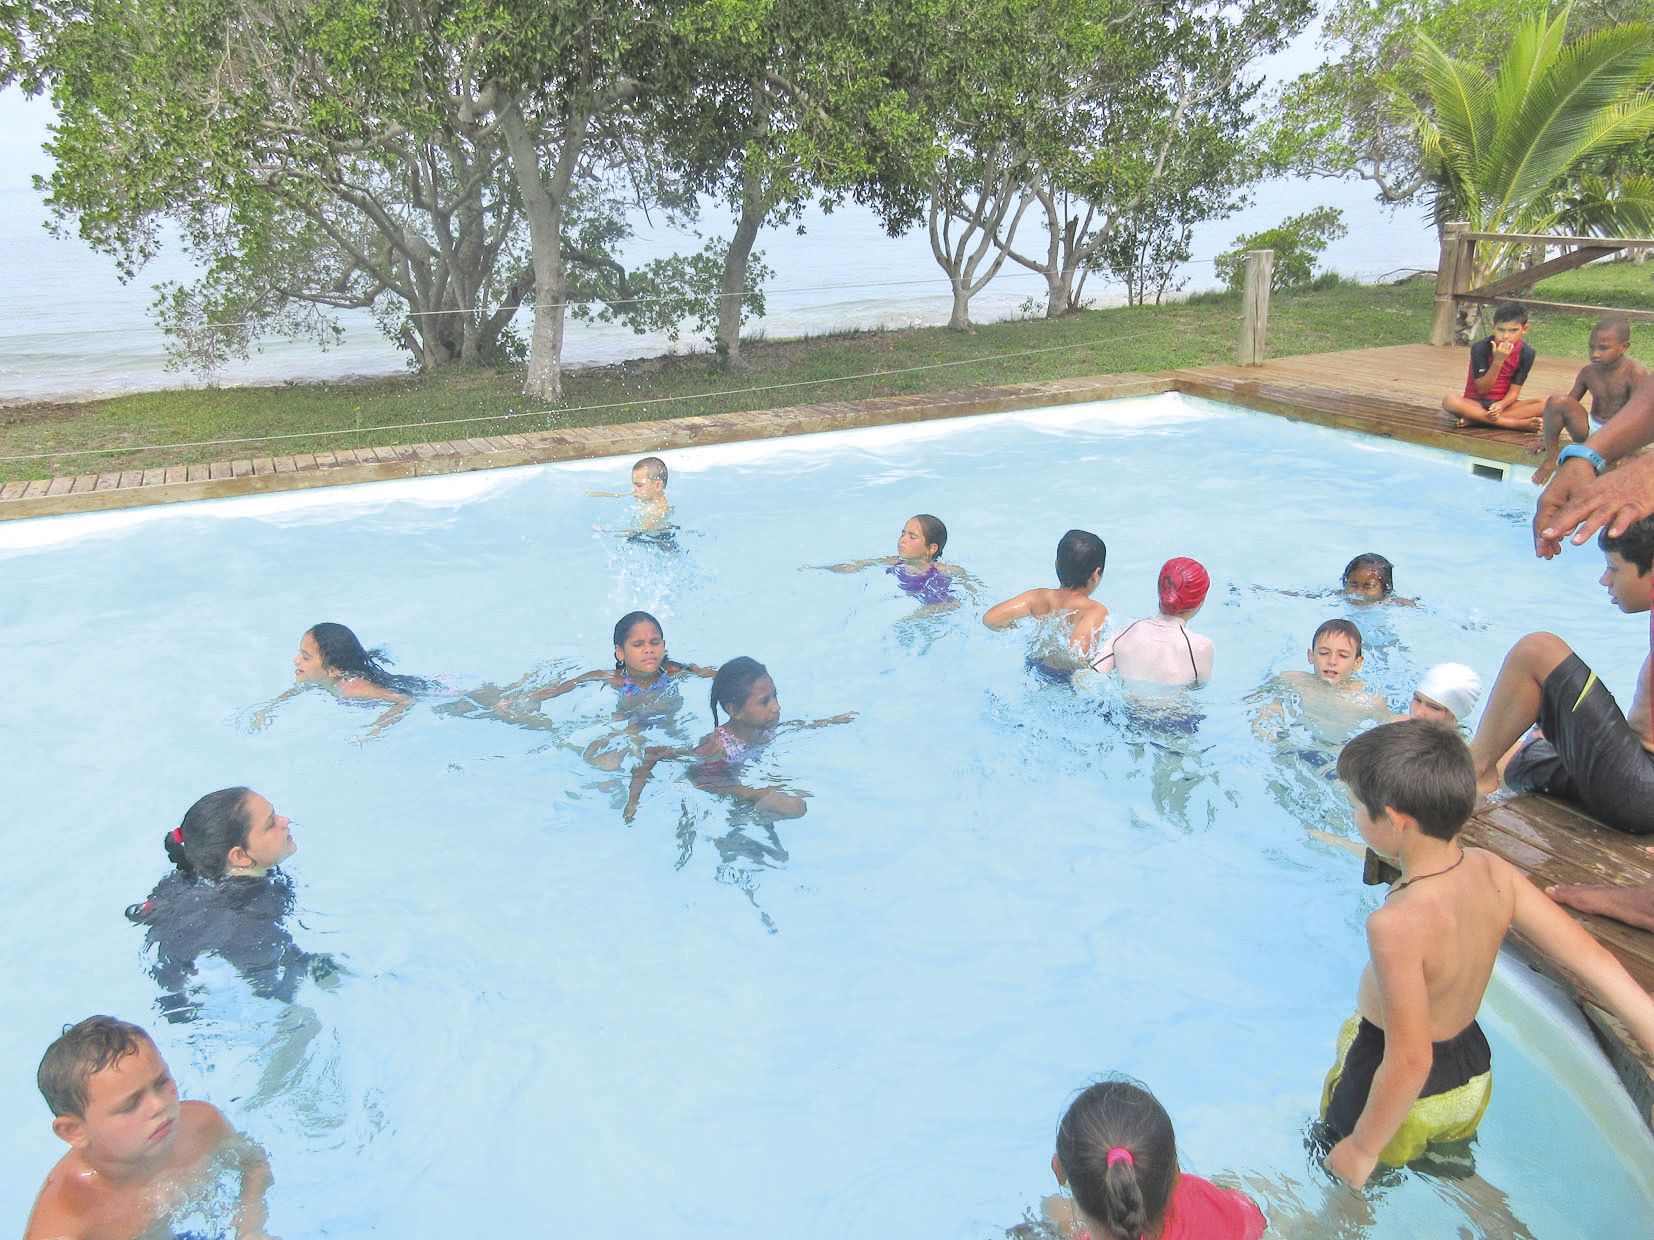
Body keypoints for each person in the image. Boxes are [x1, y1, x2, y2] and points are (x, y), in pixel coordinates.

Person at [1320, 720, 1654, 1186]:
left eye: (1356, 806)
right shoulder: (1494, 871)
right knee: (1450, 1168)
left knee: (1342, 1179)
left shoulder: (1396, 924)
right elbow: (1593, 961)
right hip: (1469, 1074)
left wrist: (1361, 1148)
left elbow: (1410, 1059)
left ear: (1395, 820)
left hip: (1391, 1088)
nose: (1354, 815)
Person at [1467, 516, 1654, 835]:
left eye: (1614, 568)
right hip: (1636, 780)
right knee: (1520, 759)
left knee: (1537, 650)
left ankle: (1471, 778)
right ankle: (1484, 769)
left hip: (1642, 789)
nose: (1605, 580)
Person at [25, 1015, 277, 1240]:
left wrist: (250, 1227)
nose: (158, 1105)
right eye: (130, 1104)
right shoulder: (67, 1220)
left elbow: (254, 1164)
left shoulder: (202, 1126)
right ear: (74, 1131)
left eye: (161, 1082)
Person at [126, 788, 337, 1021]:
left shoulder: (187, 876)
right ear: (240, 857)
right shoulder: (249, 914)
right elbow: (262, 969)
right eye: (271, 824)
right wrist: (288, 988)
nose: (285, 821)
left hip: (174, 960)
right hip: (208, 970)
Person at [623, 657, 852, 822]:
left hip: (737, 779)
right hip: (713, 784)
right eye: (764, 702)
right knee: (793, 805)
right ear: (734, 711)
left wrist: (830, 721)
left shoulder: (762, 728)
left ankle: (753, 817)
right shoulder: (719, 746)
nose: (776, 707)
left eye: (775, 696)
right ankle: (749, 817)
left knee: (798, 803)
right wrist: (751, 793)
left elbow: (792, 727)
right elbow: (699, 781)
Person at [1040, 1077, 1265, 1240]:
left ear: (1058, 1168)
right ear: (1175, 1171)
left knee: (1051, 1207)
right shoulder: (1211, 1201)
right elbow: (1253, 1223)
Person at [490, 611, 716, 768]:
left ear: (664, 646)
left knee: (694, 754)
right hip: (630, 721)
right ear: (620, 653)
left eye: (654, 642)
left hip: (667, 722)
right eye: (638, 644)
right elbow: (560, 689)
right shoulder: (615, 679)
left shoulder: (673, 670)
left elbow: (714, 674)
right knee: (613, 758)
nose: (648, 650)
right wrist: (525, 699)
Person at [251, 622, 434, 737]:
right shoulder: (320, 676)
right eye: (300, 652)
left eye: (305, 657)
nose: (295, 659)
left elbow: (406, 700)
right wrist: (268, 709)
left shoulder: (352, 689)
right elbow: (297, 689)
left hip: (430, 692)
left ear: (333, 671)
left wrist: (374, 730)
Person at [1532, 316, 1647, 485]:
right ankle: (1551, 458)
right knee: (1556, 401)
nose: (1595, 354)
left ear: (1624, 347)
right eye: (1591, 347)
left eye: (1603, 348)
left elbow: (1639, 415)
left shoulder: (1634, 372)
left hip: (1620, 434)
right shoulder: (1588, 372)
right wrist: (1547, 440)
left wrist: (1632, 452)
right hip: (1590, 430)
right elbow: (1568, 403)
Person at [984, 529, 1110, 673]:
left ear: (1056, 564)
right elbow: (1079, 655)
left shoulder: (1038, 597)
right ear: (1096, 574)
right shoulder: (1095, 610)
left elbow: (990, 619)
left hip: (1034, 664)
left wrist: (1019, 632)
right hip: (1066, 675)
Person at [1252, 619, 1392, 746]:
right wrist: (1270, 710)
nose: (1332, 661)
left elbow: (1393, 732)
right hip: (1296, 741)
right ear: (1311, 656)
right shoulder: (1293, 681)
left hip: (1339, 751)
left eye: (1343, 655)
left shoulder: (1368, 702)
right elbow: (1256, 698)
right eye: (1324, 653)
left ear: (1357, 663)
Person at [1089, 557, 1214, 687]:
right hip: (1174, 701)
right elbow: (1198, 689)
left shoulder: (1127, 631)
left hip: (1126, 700)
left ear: (1160, 590)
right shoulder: (1201, 647)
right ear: (1200, 601)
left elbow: (1090, 675)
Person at [803, 514, 970, 607]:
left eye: (912, 537)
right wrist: (819, 568)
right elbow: (856, 566)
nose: (902, 540)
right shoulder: (895, 562)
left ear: (931, 548)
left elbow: (965, 585)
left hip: (939, 606)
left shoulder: (941, 571)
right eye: (903, 533)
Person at [1442, 301, 1542, 430]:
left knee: (1547, 403)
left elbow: (1514, 391)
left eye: (1513, 330)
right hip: (1474, 404)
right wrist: (1498, 361)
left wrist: (1501, 404)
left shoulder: (1526, 353)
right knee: (1450, 400)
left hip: (1501, 407)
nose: (1505, 336)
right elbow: (1482, 390)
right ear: (1493, 327)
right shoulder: (1480, 348)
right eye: (1501, 330)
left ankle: (1476, 420)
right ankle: (1513, 423)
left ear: (1524, 329)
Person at [589, 455, 671, 530]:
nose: (634, 490)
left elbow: (637, 531)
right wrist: (592, 494)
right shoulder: (645, 496)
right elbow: (618, 496)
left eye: (639, 485)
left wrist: (605, 531)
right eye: (634, 485)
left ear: (657, 486)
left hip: (658, 538)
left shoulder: (659, 512)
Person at [1402, 663, 1482, 730]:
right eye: (1417, 699)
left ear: (1455, 718)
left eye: (1434, 707)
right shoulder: (1399, 724)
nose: (1418, 713)